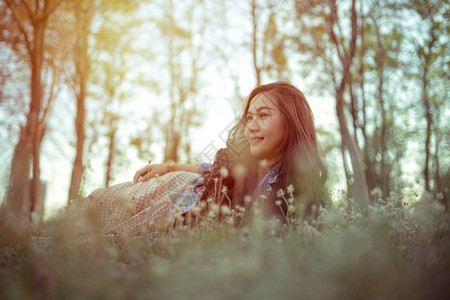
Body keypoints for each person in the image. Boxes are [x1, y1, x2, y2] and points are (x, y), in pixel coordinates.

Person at [53, 81, 327, 236]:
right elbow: (210, 169)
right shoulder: (244, 161)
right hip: (178, 189)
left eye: (264, 115)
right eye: (249, 117)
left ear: (292, 121)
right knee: (96, 208)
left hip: (181, 216)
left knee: (112, 236)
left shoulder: (296, 186)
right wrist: (169, 166)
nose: (251, 126)